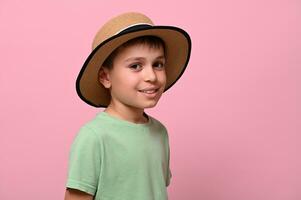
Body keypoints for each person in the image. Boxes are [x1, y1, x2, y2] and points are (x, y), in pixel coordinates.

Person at [64, 12, 191, 200]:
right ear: (106, 77)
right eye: (136, 66)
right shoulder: (94, 137)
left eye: (158, 64)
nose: (152, 76)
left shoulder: (160, 132)